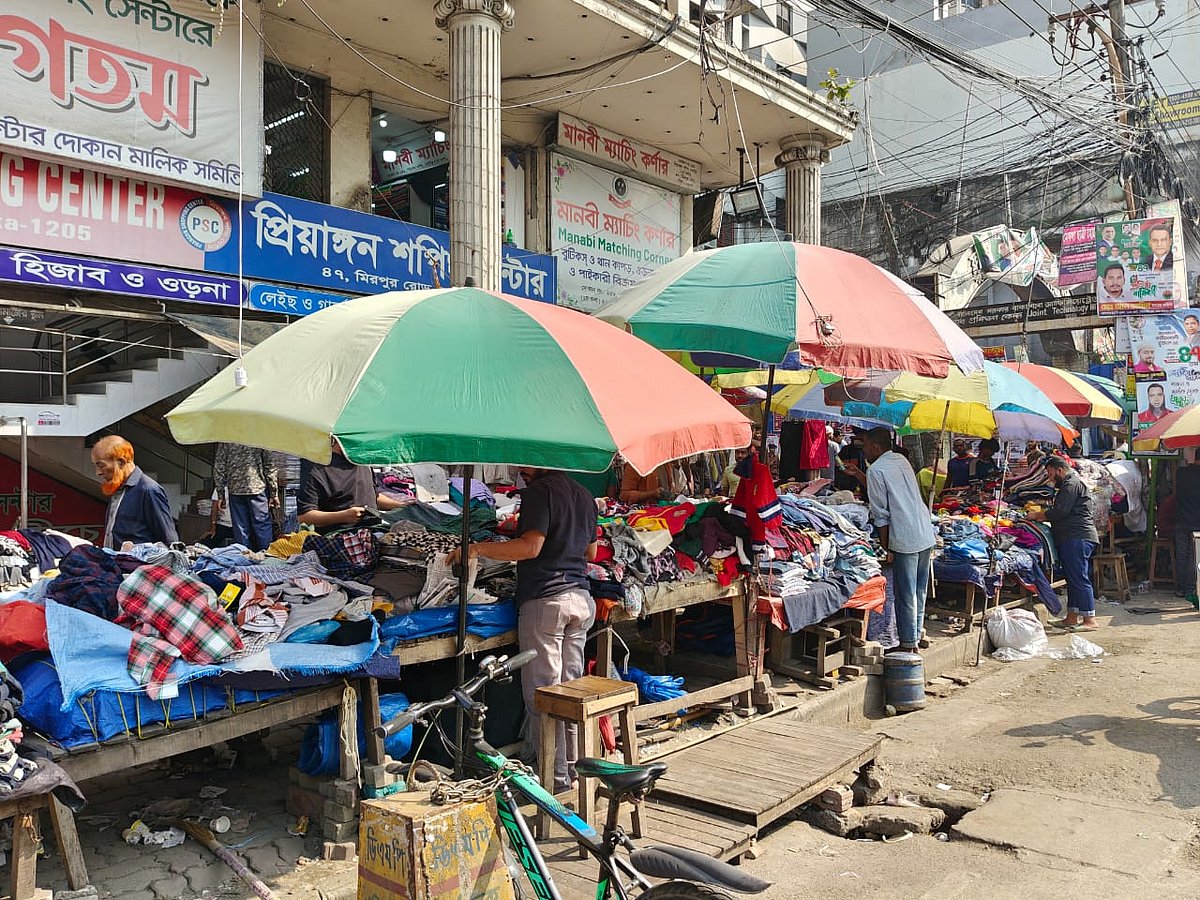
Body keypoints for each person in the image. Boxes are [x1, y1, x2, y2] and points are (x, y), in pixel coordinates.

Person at [447, 468, 597, 792]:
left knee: (545, 697)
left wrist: (477, 549)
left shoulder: (540, 492)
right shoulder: (584, 494)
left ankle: (556, 783)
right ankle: (575, 773)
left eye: (524, 466)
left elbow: (530, 547)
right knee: (570, 694)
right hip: (581, 600)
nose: (520, 472)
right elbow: (592, 553)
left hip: (547, 601)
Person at [863, 428, 935, 654]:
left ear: (875, 447)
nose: (864, 451)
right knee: (919, 591)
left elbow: (881, 515)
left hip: (905, 537)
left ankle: (908, 644)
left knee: (906, 594)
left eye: (865, 446)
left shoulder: (875, 470)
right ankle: (916, 634)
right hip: (924, 531)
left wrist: (886, 548)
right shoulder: (901, 460)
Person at [1030, 456, 1099, 631]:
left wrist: (1039, 515)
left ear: (1059, 470)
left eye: (1050, 473)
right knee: (1072, 578)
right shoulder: (1069, 484)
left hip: (1077, 537)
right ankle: (1072, 617)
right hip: (1071, 537)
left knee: (1079, 577)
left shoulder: (1071, 485)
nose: (1050, 478)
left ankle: (1090, 620)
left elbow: (1060, 511)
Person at [90, 435, 178, 550]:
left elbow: (170, 543)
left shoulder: (148, 490)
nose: (98, 472)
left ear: (121, 462)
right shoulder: (119, 489)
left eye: (101, 465)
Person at [297, 442, 407, 532]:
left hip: (373, 533)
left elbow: (373, 496)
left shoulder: (362, 461)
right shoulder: (316, 468)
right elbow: (304, 517)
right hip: (339, 539)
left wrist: (401, 506)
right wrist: (344, 516)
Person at [212, 443, 279, 551]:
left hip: (235, 489)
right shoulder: (261, 436)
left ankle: (244, 558)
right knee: (261, 526)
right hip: (257, 489)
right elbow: (270, 465)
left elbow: (220, 466)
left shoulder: (227, 437)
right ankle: (266, 557)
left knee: (241, 529)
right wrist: (273, 492)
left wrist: (221, 493)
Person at [1174, 452, 1200, 604]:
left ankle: (1181, 587)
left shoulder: (1181, 473)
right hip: (1197, 521)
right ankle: (1190, 588)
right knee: (1194, 557)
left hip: (1181, 519)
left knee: (1182, 554)